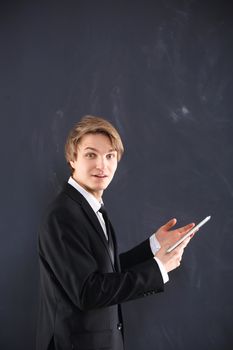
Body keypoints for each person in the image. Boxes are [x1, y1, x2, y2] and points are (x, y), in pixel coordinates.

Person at [36, 115, 195, 350]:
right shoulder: (62, 215)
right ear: (72, 158)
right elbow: (88, 291)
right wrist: (158, 268)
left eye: (110, 156)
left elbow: (103, 271)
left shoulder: (89, 206)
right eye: (91, 155)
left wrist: (153, 246)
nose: (102, 165)